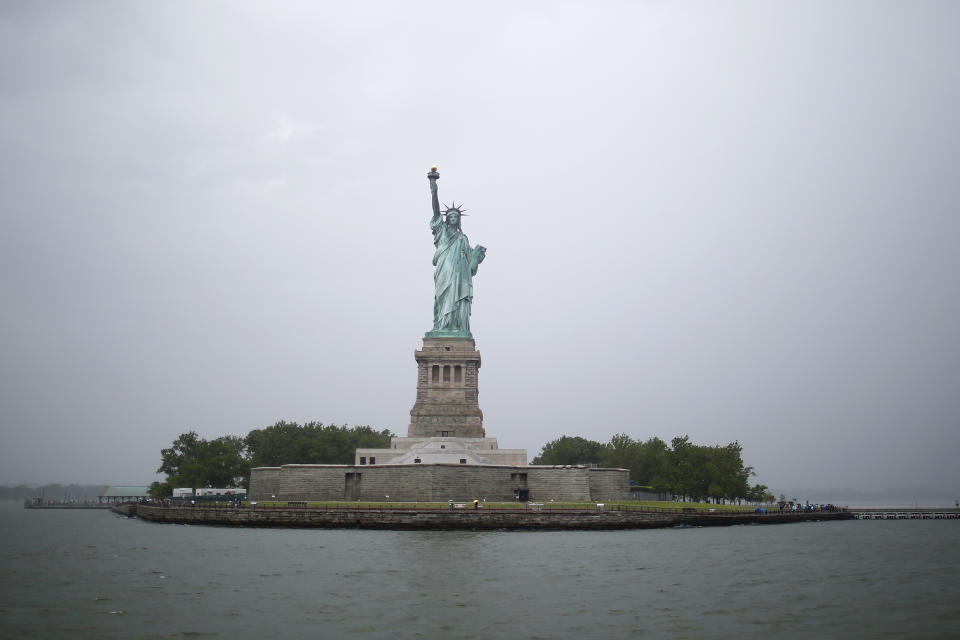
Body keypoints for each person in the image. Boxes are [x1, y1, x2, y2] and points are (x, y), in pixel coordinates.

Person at [427, 167, 485, 335]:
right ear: (446, 219)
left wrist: (476, 257)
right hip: (445, 270)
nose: (453, 218)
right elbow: (436, 210)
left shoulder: (463, 239)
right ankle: (442, 326)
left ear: (458, 220)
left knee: (458, 299)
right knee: (443, 297)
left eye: (456, 216)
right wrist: (433, 189)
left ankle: (456, 327)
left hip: (460, 274)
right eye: (450, 216)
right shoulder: (442, 232)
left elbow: (471, 266)